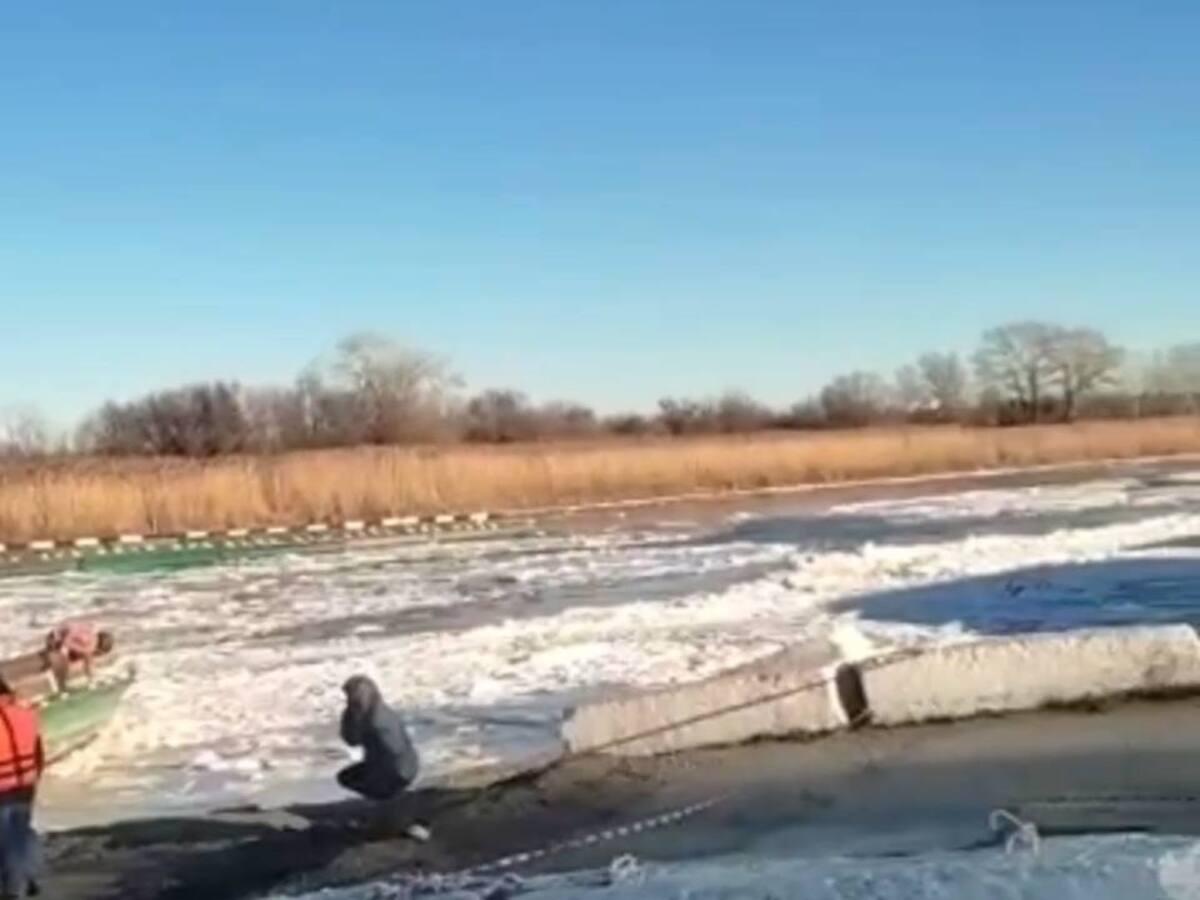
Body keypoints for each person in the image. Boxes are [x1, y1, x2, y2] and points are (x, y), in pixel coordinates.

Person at [337, 675, 429, 841]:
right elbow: (351, 740)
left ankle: (393, 815)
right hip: (385, 765)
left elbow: (395, 751)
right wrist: (349, 716)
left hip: (398, 769)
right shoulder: (369, 713)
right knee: (348, 778)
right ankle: (389, 809)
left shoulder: (379, 722)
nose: (350, 701)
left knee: (366, 784)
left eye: (352, 698)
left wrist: (382, 776)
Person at [0, 677, 43, 899]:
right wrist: (34, 779)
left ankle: (13, 891)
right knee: (21, 832)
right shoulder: (27, 714)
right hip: (25, 785)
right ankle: (31, 876)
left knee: (8, 845)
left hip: (3, 789)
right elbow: (38, 753)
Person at [44, 623, 114, 685]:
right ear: (99, 650)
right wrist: (93, 680)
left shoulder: (91, 634)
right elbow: (88, 667)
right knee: (70, 659)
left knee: (77, 654)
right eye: (99, 654)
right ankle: (53, 674)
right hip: (54, 640)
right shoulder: (89, 647)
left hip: (55, 634)